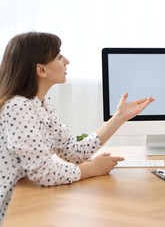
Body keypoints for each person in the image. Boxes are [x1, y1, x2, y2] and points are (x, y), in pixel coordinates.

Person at [0, 32, 154, 224]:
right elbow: (43, 172)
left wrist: (119, 117)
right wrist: (91, 169)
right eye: (58, 56)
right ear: (41, 70)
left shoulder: (41, 103)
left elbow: (73, 152)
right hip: (12, 210)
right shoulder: (19, 107)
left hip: (26, 196)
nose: (67, 61)